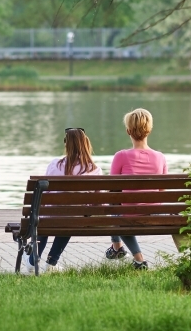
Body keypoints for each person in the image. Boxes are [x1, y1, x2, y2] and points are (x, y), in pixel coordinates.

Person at [24, 128, 102, 274]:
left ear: (66, 145)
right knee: (69, 217)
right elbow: (98, 202)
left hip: (50, 217)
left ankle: (33, 259)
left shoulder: (54, 165)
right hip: (76, 220)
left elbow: (44, 195)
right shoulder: (94, 169)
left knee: (47, 216)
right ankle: (51, 262)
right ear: (86, 143)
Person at [105, 108, 167, 270]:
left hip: (129, 215)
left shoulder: (121, 156)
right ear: (150, 130)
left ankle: (136, 257)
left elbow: (113, 191)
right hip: (155, 213)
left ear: (128, 131)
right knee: (118, 210)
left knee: (114, 209)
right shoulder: (160, 157)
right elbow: (162, 192)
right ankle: (118, 249)